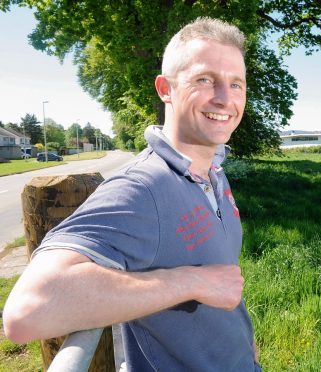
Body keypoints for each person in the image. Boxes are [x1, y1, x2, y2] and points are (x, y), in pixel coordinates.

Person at [3, 17, 260, 371]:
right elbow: (27, 313)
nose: (225, 98)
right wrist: (192, 281)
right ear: (165, 88)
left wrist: (247, 349)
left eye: (236, 84)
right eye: (205, 79)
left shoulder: (213, 173)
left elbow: (224, 290)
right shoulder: (142, 187)